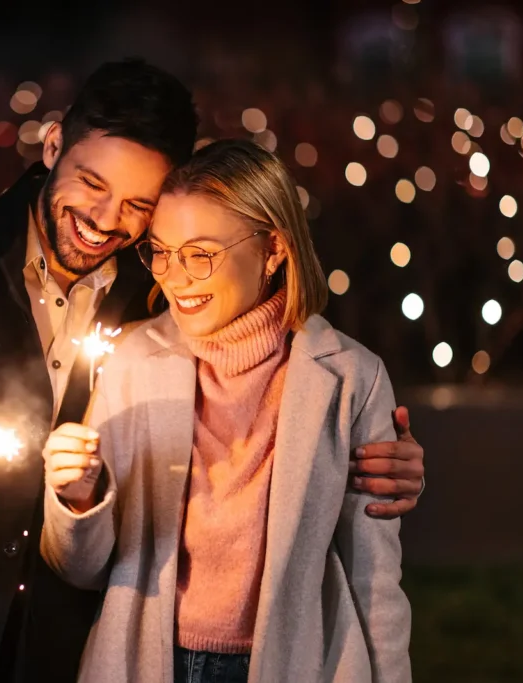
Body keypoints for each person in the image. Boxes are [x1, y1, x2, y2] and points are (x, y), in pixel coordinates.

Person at [0, 61, 424, 683]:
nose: (105, 219)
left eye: (139, 205)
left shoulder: (165, 288)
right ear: (55, 143)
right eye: (92, 183)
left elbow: (272, 372)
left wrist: (370, 461)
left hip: (53, 648)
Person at [41, 139, 413, 683]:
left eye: (200, 253)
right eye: (161, 251)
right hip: (151, 662)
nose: (173, 275)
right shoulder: (133, 363)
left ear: (274, 248)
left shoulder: (350, 379)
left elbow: (374, 576)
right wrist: (77, 499)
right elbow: (82, 567)